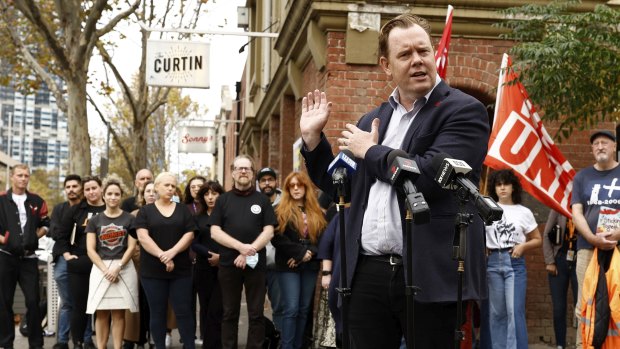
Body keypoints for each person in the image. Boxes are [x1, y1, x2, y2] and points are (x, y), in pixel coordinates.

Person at [299, 12, 490, 349]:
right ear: (387, 66)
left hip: (429, 274)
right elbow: (340, 184)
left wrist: (371, 151)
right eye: (405, 54)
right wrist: (314, 142)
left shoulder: (464, 110)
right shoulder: (373, 119)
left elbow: (430, 176)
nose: (417, 60)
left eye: (423, 51)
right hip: (365, 274)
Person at [209, 155, 276, 349]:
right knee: (230, 312)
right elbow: (214, 232)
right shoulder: (223, 200)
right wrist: (241, 248)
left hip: (256, 264)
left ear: (253, 173)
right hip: (229, 264)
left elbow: (269, 231)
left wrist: (250, 251)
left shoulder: (262, 200)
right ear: (232, 172)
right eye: (239, 168)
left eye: (247, 168)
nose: (243, 171)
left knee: (256, 313)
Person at [134, 172, 197, 349]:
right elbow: (143, 237)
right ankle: (159, 346)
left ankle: (189, 345)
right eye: (167, 185)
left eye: (173, 186)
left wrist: (172, 253)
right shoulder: (145, 211)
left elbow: (190, 234)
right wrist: (163, 256)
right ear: (156, 187)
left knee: (183, 311)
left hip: (181, 270)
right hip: (152, 271)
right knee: (158, 312)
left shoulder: (183, 210)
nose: (170, 189)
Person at [571, 130, 620, 348]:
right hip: (588, 249)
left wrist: (617, 235)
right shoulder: (582, 177)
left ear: (614, 146)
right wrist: (592, 238)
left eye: (605, 143)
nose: (600, 146)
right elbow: (577, 212)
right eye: (596, 144)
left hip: (619, 249)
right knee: (586, 303)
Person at [484, 169, 542, 349]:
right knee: (497, 313)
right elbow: (478, 235)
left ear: (513, 187)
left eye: (506, 184)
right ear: (494, 187)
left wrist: (523, 246)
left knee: (514, 312)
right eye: (498, 184)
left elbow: (538, 239)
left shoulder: (523, 211)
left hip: (514, 263)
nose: (502, 188)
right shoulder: (486, 208)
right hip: (492, 261)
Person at [272, 171, 326, 349]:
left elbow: (323, 239)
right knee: (292, 309)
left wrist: (306, 254)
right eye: (291, 186)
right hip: (287, 266)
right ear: (287, 189)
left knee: (304, 310)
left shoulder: (316, 211)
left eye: (299, 185)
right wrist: (298, 254)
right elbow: (277, 238)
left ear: (305, 188)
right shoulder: (279, 210)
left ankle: (298, 346)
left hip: (309, 265)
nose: (295, 188)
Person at [0, 164, 50, 349]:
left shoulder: (36, 200)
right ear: (12, 177)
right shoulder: (2, 200)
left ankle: (36, 344)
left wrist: (34, 236)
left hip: (29, 259)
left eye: (26, 175)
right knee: (4, 302)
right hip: (6, 257)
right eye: (19, 175)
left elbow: (46, 223)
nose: (23, 178)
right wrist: (5, 239)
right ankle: (6, 343)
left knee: (33, 301)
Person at [86, 179, 139, 349]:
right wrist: (105, 269)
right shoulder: (94, 220)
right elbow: (90, 249)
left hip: (123, 267)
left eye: (117, 194)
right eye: (109, 193)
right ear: (104, 195)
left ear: (121, 196)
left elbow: (132, 247)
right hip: (100, 268)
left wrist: (118, 267)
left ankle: (117, 347)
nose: (113, 197)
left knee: (119, 313)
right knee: (101, 313)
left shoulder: (130, 219)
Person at [57, 176, 106, 349]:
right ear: (83, 192)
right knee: (79, 306)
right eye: (87, 189)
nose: (91, 192)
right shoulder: (76, 210)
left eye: (94, 188)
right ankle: (77, 343)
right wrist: (67, 255)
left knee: (102, 307)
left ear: (101, 188)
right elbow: (61, 235)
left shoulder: (110, 208)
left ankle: (100, 343)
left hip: (105, 263)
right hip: (80, 262)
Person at [49, 175, 94, 349]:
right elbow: (55, 232)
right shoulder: (60, 208)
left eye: (75, 186)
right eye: (68, 186)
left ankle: (87, 339)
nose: (71, 189)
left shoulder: (87, 209)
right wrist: (67, 252)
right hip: (64, 256)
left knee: (85, 301)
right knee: (68, 302)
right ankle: (62, 340)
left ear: (81, 188)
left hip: (84, 257)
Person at [193, 181, 225, 349]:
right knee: (205, 308)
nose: (210, 197)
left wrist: (221, 257)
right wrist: (210, 255)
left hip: (224, 268)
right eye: (206, 194)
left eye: (214, 193)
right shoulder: (197, 218)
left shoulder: (226, 216)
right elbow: (194, 243)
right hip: (203, 269)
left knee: (218, 308)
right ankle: (207, 343)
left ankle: (218, 344)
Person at [123, 181, 155, 349]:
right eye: (147, 191)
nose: (151, 194)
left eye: (154, 191)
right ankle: (133, 338)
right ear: (142, 195)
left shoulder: (167, 213)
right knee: (135, 303)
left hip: (159, 264)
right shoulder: (134, 215)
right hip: (137, 264)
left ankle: (154, 337)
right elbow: (131, 243)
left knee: (153, 303)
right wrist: (140, 256)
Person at [542, 209, 578, 349]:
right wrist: (550, 261)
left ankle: (581, 343)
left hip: (580, 259)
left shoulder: (586, 206)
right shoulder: (558, 206)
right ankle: (560, 344)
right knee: (558, 307)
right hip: (560, 259)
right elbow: (546, 234)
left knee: (580, 306)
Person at [257, 167, 284, 332]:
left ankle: (279, 338)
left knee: (279, 306)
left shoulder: (286, 203)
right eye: (263, 180)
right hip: (256, 265)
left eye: (270, 180)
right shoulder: (253, 202)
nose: (267, 183)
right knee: (255, 307)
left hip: (278, 265)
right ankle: (260, 340)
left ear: (276, 182)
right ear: (258, 184)